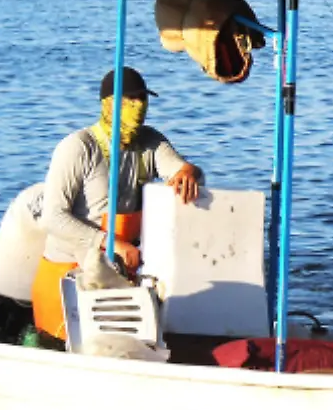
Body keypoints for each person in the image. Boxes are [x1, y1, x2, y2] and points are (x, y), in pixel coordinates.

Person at [30, 67, 204, 349]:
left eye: (142, 99)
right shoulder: (77, 147)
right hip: (67, 279)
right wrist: (110, 242)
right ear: (109, 103)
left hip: (116, 281)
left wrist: (190, 174)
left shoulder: (150, 143)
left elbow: (183, 171)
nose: (138, 107)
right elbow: (52, 217)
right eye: (129, 100)